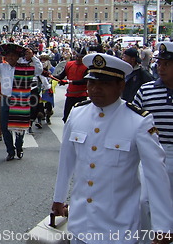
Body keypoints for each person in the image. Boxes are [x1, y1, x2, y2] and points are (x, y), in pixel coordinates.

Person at [52, 53, 173, 243]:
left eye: (105, 84)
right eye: (91, 83)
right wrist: (58, 197)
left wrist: (163, 226)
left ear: (121, 86)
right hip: (81, 223)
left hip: (119, 226)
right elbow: (66, 160)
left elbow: (156, 175)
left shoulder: (138, 121)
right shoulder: (77, 113)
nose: (95, 89)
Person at [133, 42, 173, 230]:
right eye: (160, 63)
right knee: (144, 202)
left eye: (167, 64)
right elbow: (132, 122)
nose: (161, 67)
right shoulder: (146, 90)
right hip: (152, 153)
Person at [0, 43, 42, 161]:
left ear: (17, 57)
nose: (11, 58)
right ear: (5, 57)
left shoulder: (25, 67)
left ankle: (19, 147)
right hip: (5, 100)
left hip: (20, 100)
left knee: (19, 127)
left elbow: (39, 70)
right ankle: (10, 151)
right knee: (5, 127)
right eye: (8, 56)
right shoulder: (2, 67)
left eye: (13, 55)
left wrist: (33, 57)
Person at [54, 49, 88, 122]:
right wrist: (50, 75)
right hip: (70, 95)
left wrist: (68, 82)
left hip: (81, 95)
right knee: (66, 117)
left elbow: (84, 81)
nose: (78, 58)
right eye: (77, 56)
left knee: (81, 118)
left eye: (81, 57)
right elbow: (61, 76)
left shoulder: (87, 67)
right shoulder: (69, 64)